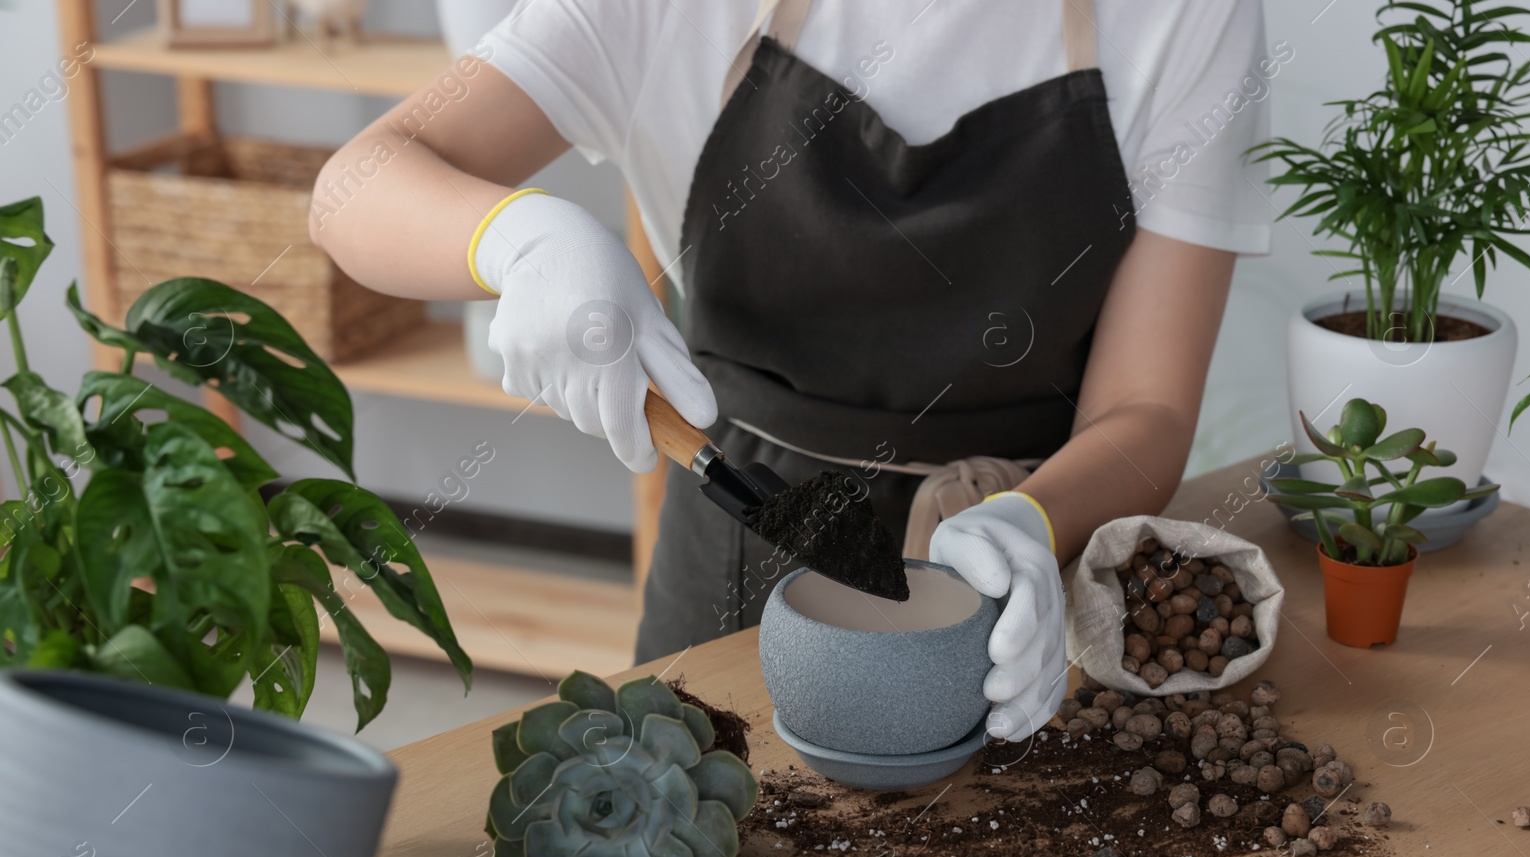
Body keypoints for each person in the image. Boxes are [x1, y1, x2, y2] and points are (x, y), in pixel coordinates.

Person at [311, 0, 1274, 741]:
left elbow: (1145, 405)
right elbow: (361, 182)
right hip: (729, 570)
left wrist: (1029, 525)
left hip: (1021, 608)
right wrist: (515, 237)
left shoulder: (1188, 15)